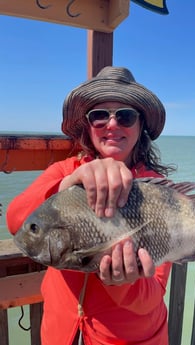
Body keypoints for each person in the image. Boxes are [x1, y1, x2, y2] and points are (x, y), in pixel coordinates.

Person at [7, 66, 175, 345]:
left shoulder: (158, 191)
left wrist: (124, 283)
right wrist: (66, 186)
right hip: (60, 333)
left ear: (141, 125)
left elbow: (153, 295)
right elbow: (17, 220)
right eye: (99, 116)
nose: (112, 125)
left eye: (125, 116)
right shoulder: (65, 171)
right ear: (88, 125)